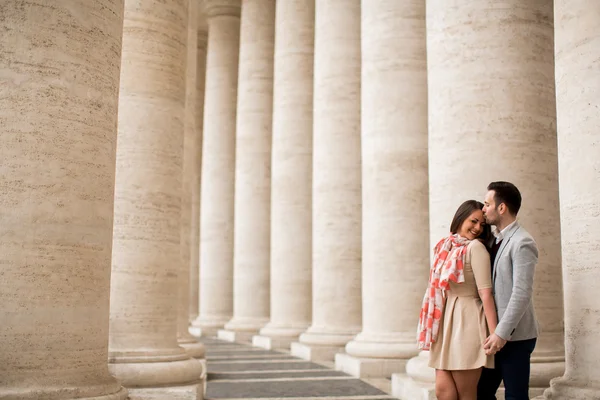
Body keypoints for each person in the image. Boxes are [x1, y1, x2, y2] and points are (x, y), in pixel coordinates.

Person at [417, 200, 498, 400]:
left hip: (468, 320)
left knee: (466, 394)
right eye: (474, 221)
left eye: (483, 224)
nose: (478, 228)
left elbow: (485, 293)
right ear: (461, 217)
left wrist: (496, 333)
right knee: (443, 392)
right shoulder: (445, 245)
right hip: (445, 321)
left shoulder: (475, 248)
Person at [477, 181, 539, 400]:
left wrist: (501, 334)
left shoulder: (523, 242)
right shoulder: (494, 239)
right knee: (481, 392)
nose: (483, 209)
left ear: (501, 208)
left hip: (515, 337)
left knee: (515, 396)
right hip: (495, 334)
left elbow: (521, 293)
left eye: (487, 204)